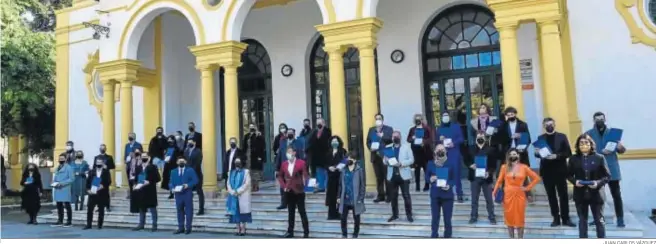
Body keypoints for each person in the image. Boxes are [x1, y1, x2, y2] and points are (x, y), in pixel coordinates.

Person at [585, 112, 626, 227]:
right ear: (594, 121)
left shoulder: (613, 134)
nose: (599, 121)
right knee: (596, 197)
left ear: (605, 119)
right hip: (596, 169)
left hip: (612, 168)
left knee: (616, 195)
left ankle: (620, 219)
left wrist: (619, 147)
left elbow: (622, 151)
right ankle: (597, 218)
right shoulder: (588, 134)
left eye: (601, 119)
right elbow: (584, 151)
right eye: (597, 119)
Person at [534, 118, 575, 227]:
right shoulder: (540, 138)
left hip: (560, 170)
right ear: (543, 126)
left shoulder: (562, 136)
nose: (549, 126)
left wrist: (557, 156)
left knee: (563, 195)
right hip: (547, 171)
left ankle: (566, 218)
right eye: (547, 124)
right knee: (551, 196)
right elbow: (537, 154)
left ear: (555, 124)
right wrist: (537, 153)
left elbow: (568, 152)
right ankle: (555, 218)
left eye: (551, 124)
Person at [567, 134, 610, 238]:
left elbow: (607, 176)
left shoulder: (599, 158)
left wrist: (597, 183)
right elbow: (568, 175)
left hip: (597, 195)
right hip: (580, 195)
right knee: (582, 221)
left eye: (586, 143)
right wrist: (575, 181)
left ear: (591, 144)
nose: (584, 145)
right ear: (578, 145)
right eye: (581, 143)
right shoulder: (573, 159)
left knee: (599, 220)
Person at [493, 149, 541, 238]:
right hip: (507, 196)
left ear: (518, 156)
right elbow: (499, 181)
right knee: (509, 219)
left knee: (520, 219)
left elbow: (537, 178)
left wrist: (527, 188)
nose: (513, 156)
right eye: (511, 155)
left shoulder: (524, 167)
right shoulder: (504, 167)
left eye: (514, 154)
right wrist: (494, 193)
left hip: (520, 195)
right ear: (508, 156)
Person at [499, 107, 533, 201]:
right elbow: (500, 139)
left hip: (520, 151)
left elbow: (528, 138)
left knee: (523, 172)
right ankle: (504, 195)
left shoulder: (523, 124)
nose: (510, 116)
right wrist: (510, 137)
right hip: (508, 151)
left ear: (515, 114)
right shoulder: (503, 126)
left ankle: (528, 194)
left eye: (512, 114)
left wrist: (520, 136)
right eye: (508, 115)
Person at [277, 147, 310, 238]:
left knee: (302, 211)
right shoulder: (284, 164)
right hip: (289, 191)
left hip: (299, 191)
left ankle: (306, 232)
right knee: (290, 212)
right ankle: (290, 232)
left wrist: (307, 184)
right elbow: (280, 176)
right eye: (287, 152)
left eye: (290, 152)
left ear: (294, 153)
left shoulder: (301, 163)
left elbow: (305, 175)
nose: (288, 153)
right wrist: (283, 186)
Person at [465, 132, 497, 225]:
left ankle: (491, 216)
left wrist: (489, 172)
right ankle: (474, 216)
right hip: (474, 178)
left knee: (489, 199)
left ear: (485, 138)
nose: (480, 138)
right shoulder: (470, 149)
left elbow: (493, 165)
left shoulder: (491, 150)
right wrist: (470, 165)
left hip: (486, 178)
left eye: (482, 137)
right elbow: (466, 159)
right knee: (474, 198)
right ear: (476, 138)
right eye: (478, 137)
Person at [384, 130, 415, 223]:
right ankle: (395, 215)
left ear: (400, 137)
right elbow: (384, 161)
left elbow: (411, 160)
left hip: (403, 175)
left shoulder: (406, 147)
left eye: (397, 136)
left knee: (406, 196)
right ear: (392, 138)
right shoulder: (388, 147)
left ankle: (409, 215)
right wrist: (386, 160)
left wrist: (401, 163)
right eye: (393, 136)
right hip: (392, 175)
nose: (395, 138)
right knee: (393, 196)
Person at [427, 144, 456, 238]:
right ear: (435, 152)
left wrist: (449, 185)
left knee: (447, 219)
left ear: (446, 151)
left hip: (447, 196)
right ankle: (434, 235)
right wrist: (430, 179)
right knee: (435, 217)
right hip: (435, 195)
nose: (440, 151)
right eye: (438, 149)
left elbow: (454, 179)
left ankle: (447, 236)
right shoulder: (430, 163)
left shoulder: (451, 163)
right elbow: (427, 177)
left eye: (442, 149)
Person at [435, 111, 465, 202]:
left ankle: (459, 194)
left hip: (454, 153)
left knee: (456, 174)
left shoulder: (456, 126)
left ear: (449, 117)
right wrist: (439, 140)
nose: (445, 117)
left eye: (446, 115)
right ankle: (444, 194)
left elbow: (461, 139)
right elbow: (437, 142)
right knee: (443, 174)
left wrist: (454, 143)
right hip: (443, 154)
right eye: (443, 116)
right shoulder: (439, 129)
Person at [469, 104, 503, 179]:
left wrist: (493, 130)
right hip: (480, 146)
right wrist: (479, 133)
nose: (482, 109)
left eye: (483, 107)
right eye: (480, 108)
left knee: (492, 165)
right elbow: (472, 133)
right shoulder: (474, 121)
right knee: (482, 163)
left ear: (487, 109)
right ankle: (483, 180)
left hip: (492, 145)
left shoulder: (493, 119)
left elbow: (499, 131)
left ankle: (493, 182)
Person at [274, 129, 305, 210]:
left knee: (295, 185)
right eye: (288, 132)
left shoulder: (298, 143)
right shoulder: (282, 142)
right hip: (284, 167)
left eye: (291, 133)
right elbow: (279, 155)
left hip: (295, 168)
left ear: (294, 134)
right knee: (283, 186)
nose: (290, 134)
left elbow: (301, 155)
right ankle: (283, 203)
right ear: (286, 134)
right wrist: (277, 168)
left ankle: (295, 203)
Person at [366, 113, 393, 201]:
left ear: (382, 120)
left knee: (387, 177)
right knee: (379, 177)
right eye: (376, 118)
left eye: (379, 118)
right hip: (375, 156)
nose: (378, 120)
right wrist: (371, 148)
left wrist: (383, 136)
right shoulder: (371, 130)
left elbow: (391, 141)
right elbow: (368, 141)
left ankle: (389, 195)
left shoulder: (388, 129)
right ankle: (380, 195)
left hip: (385, 156)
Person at [338, 151, 365, 238]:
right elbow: (340, 185)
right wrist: (338, 196)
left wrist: (361, 197)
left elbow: (362, 185)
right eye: (348, 158)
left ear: (355, 160)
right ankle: (344, 235)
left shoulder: (359, 170)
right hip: (345, 198)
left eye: (351, 158)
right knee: (343, 218)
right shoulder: (343, 170)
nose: (349, 160)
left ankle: (355, 234)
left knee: (356, 218)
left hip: (355, 198)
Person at [169, 158, 199, 235]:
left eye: (182, 161)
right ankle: (180, 227)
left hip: (187, 193)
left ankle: (188, 228)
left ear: (185, 162)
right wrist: (172, 188)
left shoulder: (190, 170)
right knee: (179, 211)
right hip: (178, 194)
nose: (181, 162)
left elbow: (195, 180)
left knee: (189, 211)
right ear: (176, 162)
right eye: (179, 161)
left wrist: (188, 185)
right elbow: (171, 182)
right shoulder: (173, 171)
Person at [131, 156, 160, 232]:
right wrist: (134, 184)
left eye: (145, 157)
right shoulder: (138, 167)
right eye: (142, 157)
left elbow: (158, 178)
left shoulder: (153, 167)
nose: (144, 158)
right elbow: (135, 178)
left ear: (149, 158)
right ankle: (141, 224)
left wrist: (150, 181)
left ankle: (154, 225)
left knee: (152, 209)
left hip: (150, 190)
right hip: (141, 190)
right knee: (141, 208)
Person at [407, 113, 433, 192]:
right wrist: (412, 138)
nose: (418, 121)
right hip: (416, 152)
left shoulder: (427, 128)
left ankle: (427, 185)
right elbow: (408, 139)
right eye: (416, 119)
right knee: (417, 169)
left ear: (422, 120)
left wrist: (424, 142)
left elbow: (431, 139)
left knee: (426, 169)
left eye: (419, 119)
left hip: (425, 151)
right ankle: (417, 186)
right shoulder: (412, 129)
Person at [226, 158, 252, 236]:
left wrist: (238, 191)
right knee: (235, 213)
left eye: (238, 162)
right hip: (233, 195)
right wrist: (232, 191)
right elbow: (228, 184)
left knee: (243, 213)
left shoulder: (246, 172)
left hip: (242, 195)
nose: (237, 163)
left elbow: (247, 184)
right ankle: (237, 228)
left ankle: (243, 228)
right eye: (236, 162)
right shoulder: (231, 172)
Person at [83, 158, 111, 230]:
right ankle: (89, 224)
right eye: (97, 162)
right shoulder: (91, 171)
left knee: (101, 210)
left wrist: (103, 186)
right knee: (90, 209)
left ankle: (100, 225)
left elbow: (109, 181)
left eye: (100, 162)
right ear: (95, 163)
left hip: (102, 193)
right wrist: (88, 190)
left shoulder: (106, 172)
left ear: (102, 163)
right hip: (92, 193)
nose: (98, 163)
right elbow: (88, 181)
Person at [307, 118, 331, 192]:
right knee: (316, 172)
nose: (319, 125)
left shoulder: (327, 131)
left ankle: (325, 186)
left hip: (324, 155)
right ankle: (317, 187)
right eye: (317, 123)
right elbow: (309, 141)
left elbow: (327, 142)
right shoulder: (314, 131)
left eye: (320, 123)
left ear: (324, 123)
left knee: (325, 172)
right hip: (315, 156)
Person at [326, 135, 347, 220]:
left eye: (336, 141)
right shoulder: (328, 152)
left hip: (340, 175)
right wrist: (329, 167)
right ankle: (331, 214)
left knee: (340, 195)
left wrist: (339, 167)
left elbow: (346, 161)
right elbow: (325, 163)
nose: (334, 143)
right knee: (331, 195)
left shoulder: (343, 151)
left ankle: (340, 213)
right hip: (331, 176)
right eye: (333, 141)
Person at [52, 153, 75, 227]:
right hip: (57, 188)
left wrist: (62, 183)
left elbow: (71, 179)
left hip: (65, 188)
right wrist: (54, 183)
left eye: (62, 159)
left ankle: (69, 221)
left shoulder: (69, 168)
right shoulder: (57, 167)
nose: (60, 160)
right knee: (59, 205)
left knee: (67, 205)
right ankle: (60, 220)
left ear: (65, 159)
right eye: (60, 159)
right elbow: (55, 177)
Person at [242, 124, 265, 192]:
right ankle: (251, 185)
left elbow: (262, 147)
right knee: (249, 172)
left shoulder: (259, 136)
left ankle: (256, 186)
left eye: (253, 127)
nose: (251, 128)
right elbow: (244, 147)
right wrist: (243, 156)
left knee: (255, 171)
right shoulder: (246, 136)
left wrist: (261, 157)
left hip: (256, 156)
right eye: (250, 127)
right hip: (248, 156)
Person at [184, 139, 205, 215]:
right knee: (188, 192)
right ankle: (188, 208)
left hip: (197, 174)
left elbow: (198, 162)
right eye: (188, 142)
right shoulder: (186, 151)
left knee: (199, 192)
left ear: (194, 143)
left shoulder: (198, 151)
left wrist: (191, 171)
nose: (189, 143)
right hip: (188, 176)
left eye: (191, 142)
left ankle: (201, 209)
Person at [94, 144, 115, 211]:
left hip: (105, 176)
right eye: (101, 148)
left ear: (106, 149)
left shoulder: (109, 157)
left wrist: (107, 166)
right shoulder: (96, 157)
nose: (102, 149)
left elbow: (113, 166)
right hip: (97, 176)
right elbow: (94, 167)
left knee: (106, 192)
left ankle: (107, 206)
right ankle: (98, 206)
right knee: (96, 192)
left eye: (103, 148)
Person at [124, 132, 143, 199]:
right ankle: (131, 193)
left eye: (131, 136)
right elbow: (125, 154)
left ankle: (136, 193)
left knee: (136, 180)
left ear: (134, 137)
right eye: (129, 136)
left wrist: (134, 155)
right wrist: (125, 161)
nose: (130, 137)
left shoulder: (138, 145)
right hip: (128, 165)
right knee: (130, 180)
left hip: (136, 165)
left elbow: (140, 154)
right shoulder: (127, 145)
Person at [128, 148, 144, 213]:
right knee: (133, 194)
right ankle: (133, 209)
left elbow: (142, 170)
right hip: (133, 178)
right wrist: (131, 176)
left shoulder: (142, 160)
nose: (137, 153)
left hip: (140, 177)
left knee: (139, 193)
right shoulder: (133, 160)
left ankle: (140, 208)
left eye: (138, 151)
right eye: (136, 152)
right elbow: (131, 168)